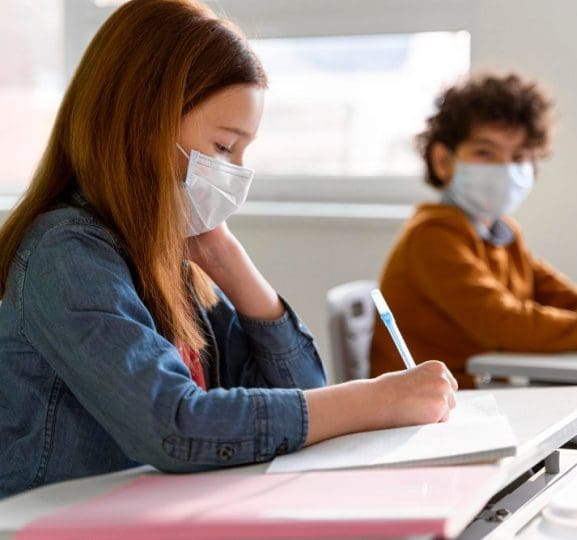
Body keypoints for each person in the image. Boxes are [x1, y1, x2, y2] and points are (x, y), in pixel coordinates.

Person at [0, 0, 458, 498]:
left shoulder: (171, 259)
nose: (236, 173)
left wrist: (229, 263)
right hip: (55, 523)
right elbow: (175, 425)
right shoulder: (65, 255)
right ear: (142, 127)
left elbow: (297, 395)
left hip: (156, 513)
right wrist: (376, 400)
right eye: (223, 147)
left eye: (244, 152)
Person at [369, 73, 577, 389]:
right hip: (432, 410)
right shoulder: (431, 237)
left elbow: (563, 297)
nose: (505, 169)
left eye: (519, 157)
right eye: (485, 153)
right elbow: (506, 324)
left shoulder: (502, 233)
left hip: (483, 396)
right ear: (443, 161)